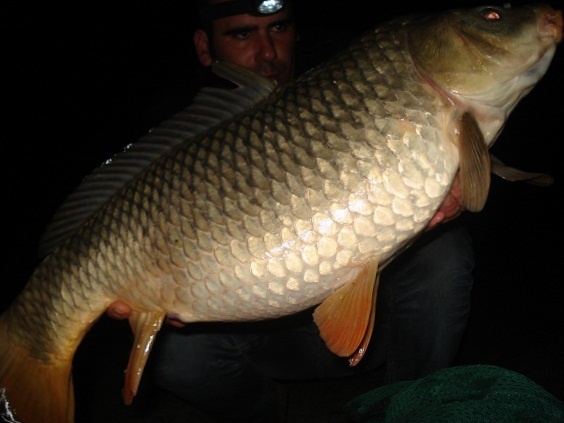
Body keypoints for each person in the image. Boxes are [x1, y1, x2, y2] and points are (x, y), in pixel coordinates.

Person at [107, 1, 474, 421]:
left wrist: (444, 188)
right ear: (204, 46)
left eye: (278, 27)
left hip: (373, 331)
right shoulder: (176, 139)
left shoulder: (350, 88)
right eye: (242, 34)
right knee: (173, 356)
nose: (267, 51)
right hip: (260, 337)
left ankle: (410, 407)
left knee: (444, 254)